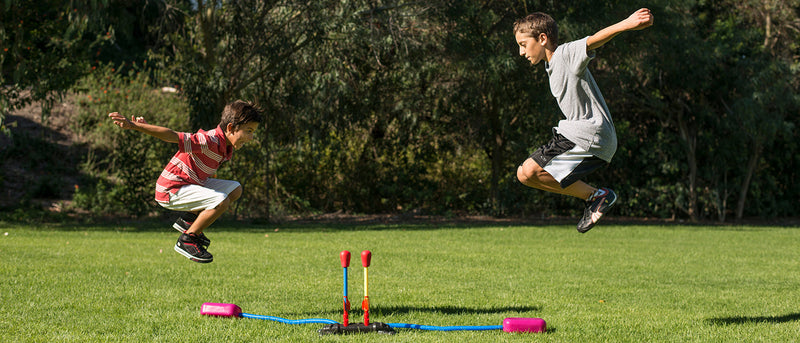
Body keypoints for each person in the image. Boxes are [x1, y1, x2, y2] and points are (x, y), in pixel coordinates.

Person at [513, 9, 654, 232]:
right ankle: (595, 196)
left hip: (590, 134)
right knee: (525, 175)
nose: (521, 52)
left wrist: (626, 23)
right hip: (582, 136)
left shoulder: (564, 55)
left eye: (523, 44)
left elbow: (593, 41)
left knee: (529, 170)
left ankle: (597, 195)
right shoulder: (552, 66)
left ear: (542, 38)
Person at [108, 100, 263, 262]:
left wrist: (146, 126)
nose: (251, 137)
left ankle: (188, 220)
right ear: (230, 128)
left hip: (190, 184)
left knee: (235, 189)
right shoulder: (209, 140)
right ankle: (188, 239)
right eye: (249, 131)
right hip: (170, 189)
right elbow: (173, 136)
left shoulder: (225, 146)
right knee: (221, 200)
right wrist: (136, 126)